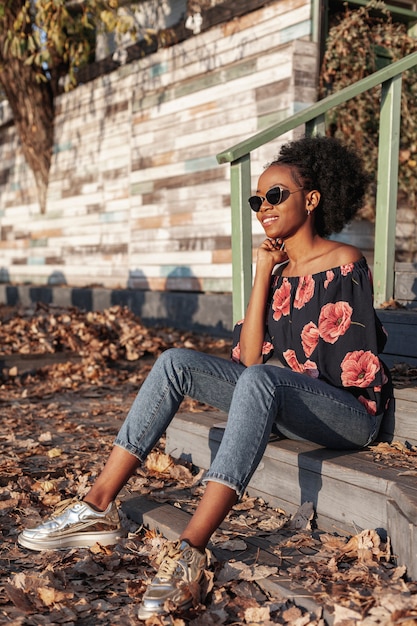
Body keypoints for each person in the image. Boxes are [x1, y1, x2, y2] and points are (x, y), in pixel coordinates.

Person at [18, 136, 393, 620]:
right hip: (287, 399)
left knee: (261, 381)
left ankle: (191, 550)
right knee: (176, 360)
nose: (264, 208)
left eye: (276, 195)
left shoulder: (346, 262)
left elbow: (344, 369)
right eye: (258, 200)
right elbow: (248, 355)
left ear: (312, 199)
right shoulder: (278, 275)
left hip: (348, 414)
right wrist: (263, 274)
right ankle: (96, 505)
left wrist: (271, 382)